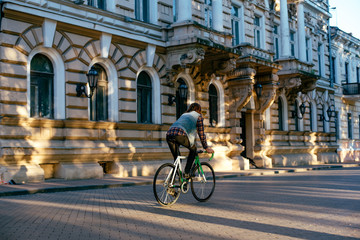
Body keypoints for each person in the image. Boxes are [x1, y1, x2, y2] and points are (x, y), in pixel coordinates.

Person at [166, 103, 214, 178]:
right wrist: (206, 147)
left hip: (169, 134)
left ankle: (172, 183)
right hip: (179, 134)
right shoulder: (199, 116)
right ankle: (187, 172)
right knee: (193, 149)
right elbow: (201, 133)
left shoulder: (184, 115)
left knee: (177, 159)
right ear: (199, 110)